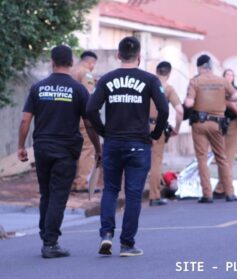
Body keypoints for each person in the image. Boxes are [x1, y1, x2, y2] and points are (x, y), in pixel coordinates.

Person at [86, 36, 169, 257]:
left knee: (110, 190)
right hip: (139, 144)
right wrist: (156, 133)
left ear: (118, 55)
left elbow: (90, 109)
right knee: (133, 195)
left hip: (113, 143)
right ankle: (127, 244)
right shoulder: (150, 80)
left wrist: (104, 132)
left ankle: (106, 235)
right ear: (139, 57)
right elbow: (164, 110)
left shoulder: (106, 79)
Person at [18, 45, 100, 258]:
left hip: (42, 148)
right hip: (65, 149)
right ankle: (50, 242)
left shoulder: (38, 87)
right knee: (58, 195)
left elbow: (25, 119)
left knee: (46, 193)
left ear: (51, 62)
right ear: (71, 63)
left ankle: (46, 234)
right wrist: (98, 147)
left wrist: (20, 146)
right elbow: (89, 123)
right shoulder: (79, 89)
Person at [184, 54, 237, 203]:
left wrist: (188, 100)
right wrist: (223, 99)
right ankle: (230, 193)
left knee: (202, 159)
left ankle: (207, 194)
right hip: (217, 123)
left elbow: (189, 104)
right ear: (210, 66)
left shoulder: (195, 81)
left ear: (199, 67)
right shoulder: (222, 81)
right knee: (221, 157)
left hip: (199, 124)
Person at [149, 61, 183, 206]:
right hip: (158, 127)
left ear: (156, 71)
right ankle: (154, 196)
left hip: (141, 127)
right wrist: (177, 128)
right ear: (168, 74)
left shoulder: (146, 85)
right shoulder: (168, 88)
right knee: (155, 162)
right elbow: (180, 111)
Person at [213, 69, 237, 198]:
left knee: (227, 155)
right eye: (227, 74)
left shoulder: (233, 89)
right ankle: (223, 187)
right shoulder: (222, 88)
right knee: (225, 155)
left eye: (231, 75)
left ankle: (222, 188)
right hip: (228, 123)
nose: (229, 77)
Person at [71, 51, 101, 193]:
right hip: (82, 118)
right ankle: (81, 182)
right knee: (87, 149)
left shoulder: (70, 71)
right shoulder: (87, 73)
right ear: (91, 63)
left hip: (67, 117)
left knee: (71, 149)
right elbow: (89, 97)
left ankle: (70, 182)